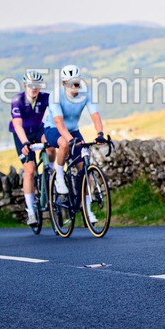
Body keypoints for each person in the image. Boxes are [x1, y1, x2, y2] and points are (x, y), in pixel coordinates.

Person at [43, 64, 105, 224]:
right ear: (64, 84)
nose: (74, 86)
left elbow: (95, 115)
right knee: (64, 143)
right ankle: (59, 176)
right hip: (53, 129)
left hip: (73, 130)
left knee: (84, 168)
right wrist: (70, 140)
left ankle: (88, 211)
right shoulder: (56, 95)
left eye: (76, 82)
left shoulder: (86, 93)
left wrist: (100, 134)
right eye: (70, 83)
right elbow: (59, 122)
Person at [10, 69, 54, 225]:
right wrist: (25, 143)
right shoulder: (18, 100)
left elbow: (57, 112)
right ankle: (31, 212)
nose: (34, 88)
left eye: (37, 85)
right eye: (31, 85)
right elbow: (17, 124)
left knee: (51, 144)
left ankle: (52, 172)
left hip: (38, 129)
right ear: (25, 85)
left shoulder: (45, 97)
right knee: (29, 170)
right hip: (22, 134)